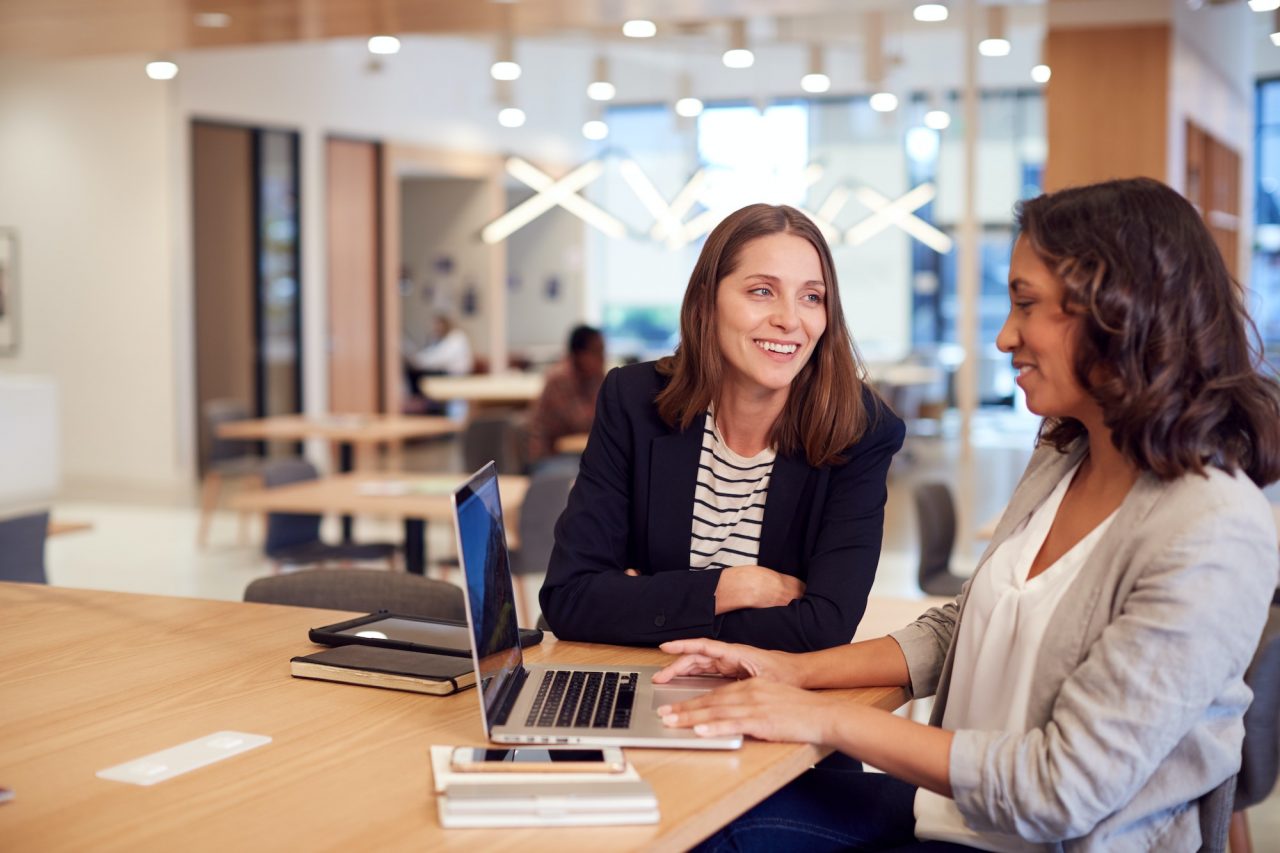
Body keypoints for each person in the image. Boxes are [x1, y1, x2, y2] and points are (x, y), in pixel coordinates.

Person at [654, 178, 1280, 851]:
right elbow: (967, 624)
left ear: (1121, 313)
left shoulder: (1214, 528)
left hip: (1030, 840)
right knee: (701, 808)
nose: (1006, 335)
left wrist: (820, 717)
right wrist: (791, 671)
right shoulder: (1067, 454)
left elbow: (1059, 788)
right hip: (952, 817)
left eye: (1026, 304)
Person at [538, 203, 905, 652]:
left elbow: (823, 626)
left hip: (771, 699)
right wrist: (731, 589)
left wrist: (647, 603)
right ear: (705, 301)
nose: (790, 320)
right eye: (762, 291)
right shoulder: (634, 402)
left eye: (811, 296)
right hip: (639, 684)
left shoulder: (860, 429)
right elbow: (570, 598)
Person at [526, 324, 606, 466]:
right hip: (548, 455)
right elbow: (583, 422)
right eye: (596, 352)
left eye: (602, 351)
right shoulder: (560, 379)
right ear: (579, 354)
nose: (602, 358)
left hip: (574, 452)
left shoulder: (593, 376)